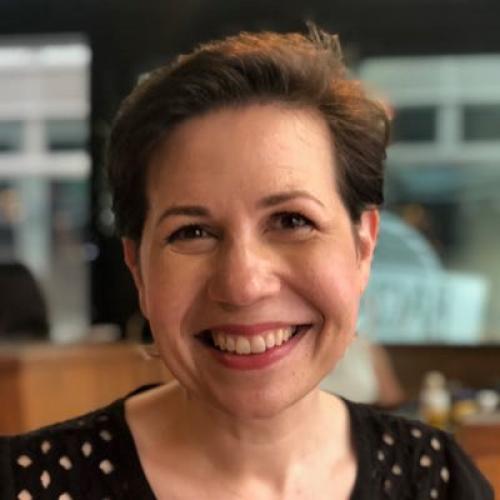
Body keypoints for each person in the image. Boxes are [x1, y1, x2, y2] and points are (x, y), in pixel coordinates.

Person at [0, 26, 492, 500]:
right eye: (191, 232)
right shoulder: (25, 484)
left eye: (292, 221)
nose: (243, 284)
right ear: (137, 269)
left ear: (363, 246)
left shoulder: (436, 479)